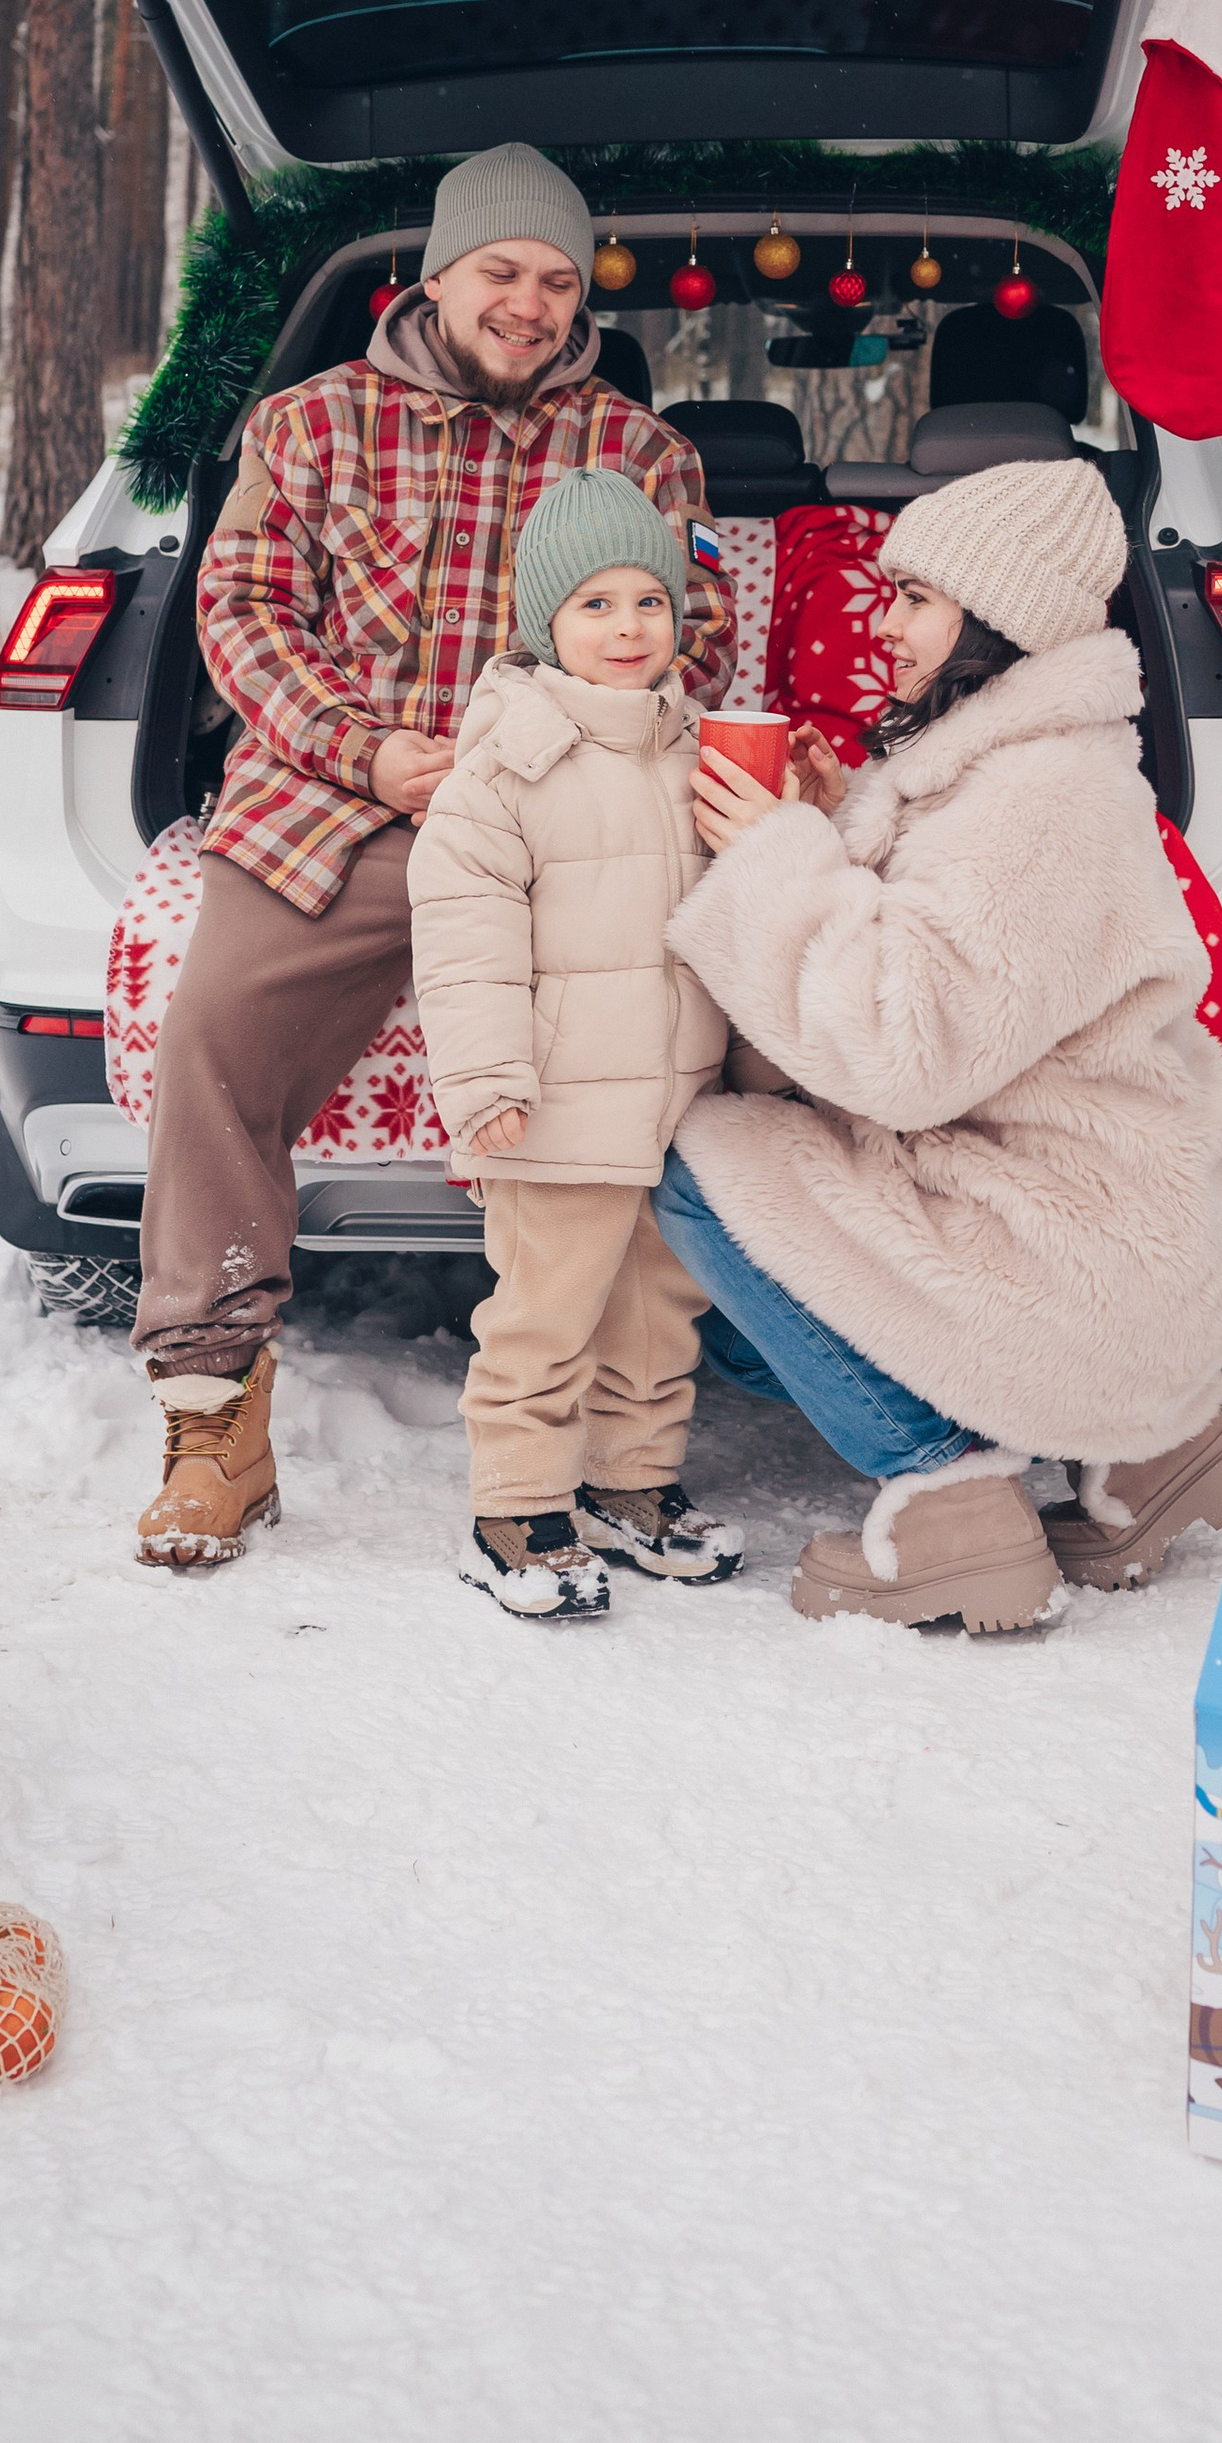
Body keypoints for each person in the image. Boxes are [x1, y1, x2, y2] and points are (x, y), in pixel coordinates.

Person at [133, 146, 735, 1570]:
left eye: (556, 279)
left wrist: (568, 739)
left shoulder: (638, 451)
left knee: (691, 1034)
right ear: (436, 276)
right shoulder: (310, 423)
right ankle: (214, 1416)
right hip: (340, 794)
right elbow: (242, 604)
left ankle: (636, 1415)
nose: (528, 302)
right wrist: (367, 746)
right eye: (500, 271)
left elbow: (697, 632)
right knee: (214, 1032)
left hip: (570, 806)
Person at [659, 455, 1222, 1635]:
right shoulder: (997, 756)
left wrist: (779, 857)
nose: (879, 625)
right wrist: (841, 823)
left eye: (914, 599)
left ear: (1000, 618)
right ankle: (1148, 1451)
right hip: (1096, 1221)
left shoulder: (1041, 795)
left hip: (1071, 1241)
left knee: (700, 1168)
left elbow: (901, 1048)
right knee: (750, 1336)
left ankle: (953, 1496)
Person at [408, 467, 743, 1618]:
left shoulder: (697, 745)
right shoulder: (506, 767)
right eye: (593, 605)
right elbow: (466, 940)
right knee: (544, 1314)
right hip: (552, 1101)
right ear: (543, 621)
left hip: (673, 1099)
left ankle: (631, 1485)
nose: (625, 627)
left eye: (647, 601)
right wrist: (490, 1078)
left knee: (658, 1309)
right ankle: (515, 1505)